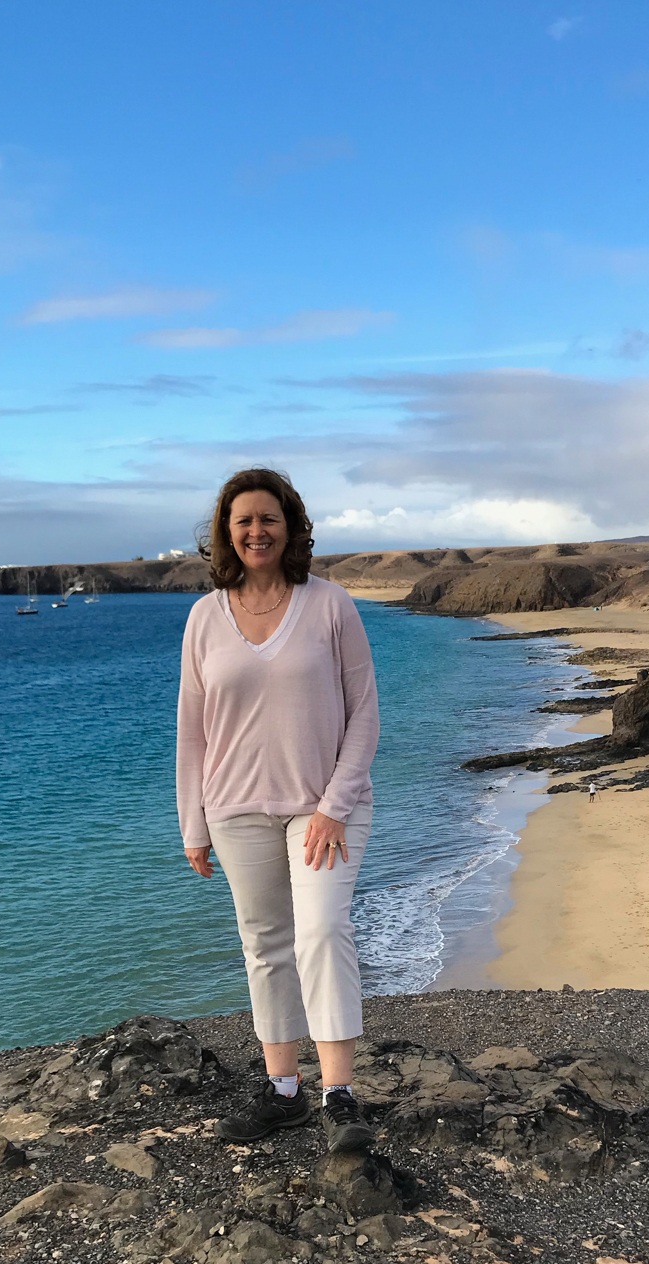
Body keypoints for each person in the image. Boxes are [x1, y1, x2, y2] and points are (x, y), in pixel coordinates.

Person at [177, 468, 380, 1153]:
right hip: (235, 810)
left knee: (322, 931)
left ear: (290, 526)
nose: (256, 531)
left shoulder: (330, 605)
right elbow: (193, 729)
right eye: (243, 521)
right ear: (225, 534)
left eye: (268, 518)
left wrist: (334, 806)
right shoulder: (205, 617)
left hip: (324, 809)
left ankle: (340, 1092)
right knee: (265, 946)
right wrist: (193, 824)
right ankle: (283, 1089)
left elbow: (365, 715)